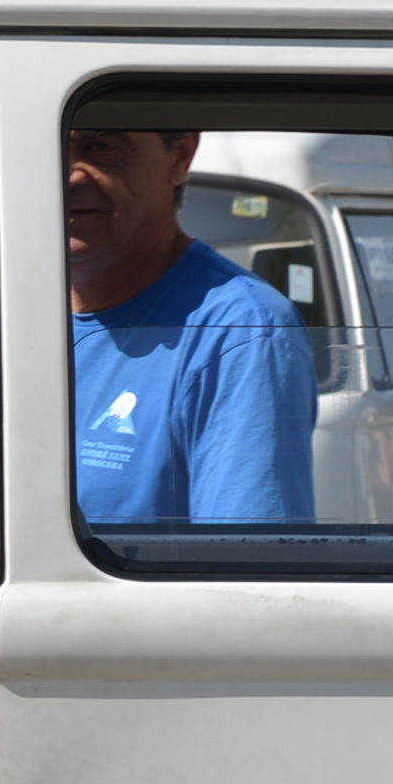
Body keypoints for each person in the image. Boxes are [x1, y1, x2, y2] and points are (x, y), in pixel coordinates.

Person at [65, 124, 315, 524]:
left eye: (103, 146)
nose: (71, 175)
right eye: (48, 149)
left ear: (179, 156)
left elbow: (246, 556)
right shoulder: (0, 310)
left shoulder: (240, 331)